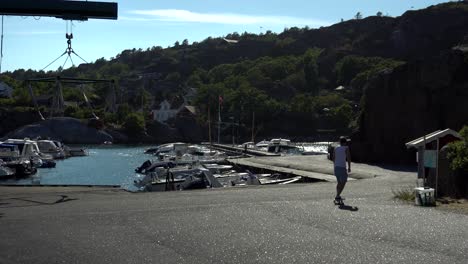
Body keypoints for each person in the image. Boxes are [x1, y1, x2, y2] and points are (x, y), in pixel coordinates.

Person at [333, 136, 351, 204]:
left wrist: (335, 166)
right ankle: (337, 196)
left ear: (340, 142)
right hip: (342, 167)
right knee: (343, 182)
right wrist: (349, 167)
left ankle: (338, 195)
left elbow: (334, 158)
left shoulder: (336, 148)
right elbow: (348, 158)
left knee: (339, 183)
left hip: (336, 167)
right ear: (345, 142)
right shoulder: (346, 148)